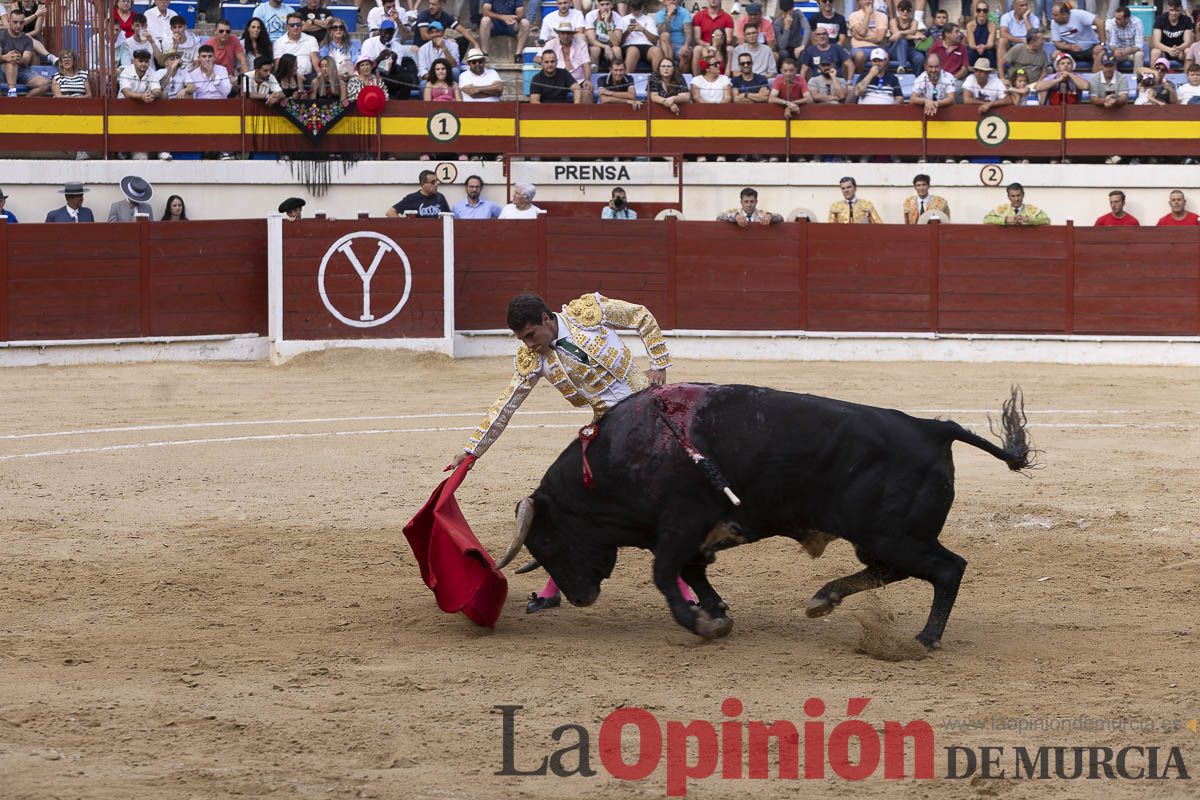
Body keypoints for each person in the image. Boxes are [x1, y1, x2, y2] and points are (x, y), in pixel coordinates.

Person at [451, 292, 691, 613]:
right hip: (611, 433)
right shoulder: (534, 361)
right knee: (574, 506)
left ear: (547, 320)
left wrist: (658, 364)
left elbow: (641, 316)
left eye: (531, 335)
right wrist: (471, 453)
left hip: (654, 410)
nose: (529, 345)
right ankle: (555, 588)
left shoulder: (586, 312)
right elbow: (504, 407)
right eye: (521, 340)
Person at [1, 9, 50, 96]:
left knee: (44, 84)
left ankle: (22, 102)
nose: (18, 25)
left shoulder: (27, 39)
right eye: (15, 22)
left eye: (21, 22)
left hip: (22, 71)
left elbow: (26, 60)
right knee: (11, 62)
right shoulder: (1, 36)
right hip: (3, 71)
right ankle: (12, 92)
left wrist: (20, 59)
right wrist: (5, 57)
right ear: (9, 22)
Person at [1050, 0, 1102, 70]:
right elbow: (1057, 42)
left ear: (1064, 15)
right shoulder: (1054, 22)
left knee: (1100, 53)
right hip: (1071, 50)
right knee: (1055, 55)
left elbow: (1100, 22)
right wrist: (1070, 47)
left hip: (1090, 48)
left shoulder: (1078, 14)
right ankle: (1061, 78)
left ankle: (1094, 79)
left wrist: (1101, 43)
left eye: (1055, 15)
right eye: (1052, 14)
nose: (1053, 17)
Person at [545, 19, 590, 91]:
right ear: (558, 34)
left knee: (587, 91)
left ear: (572, 34)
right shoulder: (551, 43)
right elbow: (537, 58)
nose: (566, 36)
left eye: (568, 33)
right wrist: (552, 61)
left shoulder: (581, 44)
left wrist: (587, 80)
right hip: (558, 81)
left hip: (579, 80)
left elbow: (586, 64)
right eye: (563, 33)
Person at [275, 12, 320, 80]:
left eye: (298, 25)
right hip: (288, 76)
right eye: (292, 25)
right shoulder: (279, 42)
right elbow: (278, 64)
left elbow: (315, 60)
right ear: (287, 27)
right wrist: (296, 74)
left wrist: (320, 74)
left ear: (302, 26)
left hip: (308, 76)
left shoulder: (311, 39)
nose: (296, 27)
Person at [846, 0, 887, 74]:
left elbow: (879, 38)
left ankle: (879, 77)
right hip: (859, 48)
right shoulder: (853, 15)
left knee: (885, 56)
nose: (867, 1)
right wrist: (868, 14)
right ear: (859, 2)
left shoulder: (882, 16)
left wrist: (862, 38)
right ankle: (862, 76)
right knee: (859, 56)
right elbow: (862, 31)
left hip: (876, 47)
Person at [983, 182, 1050, 225]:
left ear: (1023, 195)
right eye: (1013, 196)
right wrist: (1006, 220)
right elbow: (986, 220)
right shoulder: (1002, 210)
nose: (1016, 199)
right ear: (1008, 197)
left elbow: (1047, 220)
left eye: (1018, 195)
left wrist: (1029, 219)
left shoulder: (1032, 210)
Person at [622, 0, 661, 73]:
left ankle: (657, 80)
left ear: (643, 7)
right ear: (631, 8)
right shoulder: (624, 19)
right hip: (629, 45)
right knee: (633, 50)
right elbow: (619, 41)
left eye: (638, 9)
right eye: (634, 9)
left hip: (646, 45)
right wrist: (627, 31)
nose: (636, 12)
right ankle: (627, 80)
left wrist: (643, 30)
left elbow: (655, 41)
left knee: (657, 51)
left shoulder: (649, 19)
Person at [1151, 0, 1193, 67]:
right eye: (1171, 10)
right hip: (1164, 51)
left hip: (1180, 51)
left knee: (1188, 51)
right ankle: (1153, 76)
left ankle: (1189, 76)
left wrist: (1178, 49)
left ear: (1181, 9)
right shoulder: (1160, 19)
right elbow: (1156, 43)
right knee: (1155, 52)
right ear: (1168, 8)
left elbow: (1187, 42)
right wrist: (1169, 50)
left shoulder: (1186, 20)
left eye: (1177, 10)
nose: (1174, 13)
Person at [1103, 5, 1145, 72]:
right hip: (1120, 51)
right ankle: (1113, 79)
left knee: (1139, 55)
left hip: (1133, 51)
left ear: (1127, 19)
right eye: (1116, 18)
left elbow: (1139, 45)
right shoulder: (1113, 23)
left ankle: (1137, 79)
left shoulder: (1137, 23)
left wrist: (1127, 51)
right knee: (1111, 56)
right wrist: (1115, 50)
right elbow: (1112, 44)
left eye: (1119, 19)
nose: (1116, 20)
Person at [586, 0, 625, 70]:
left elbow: (616, 43)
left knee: (617, 49)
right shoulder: (590, 15)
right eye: (602, 5)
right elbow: (592, 40)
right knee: (595, 50)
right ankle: (593, 75)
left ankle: (617, 74)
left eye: (607, 4)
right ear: (598, 6)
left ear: (612, 5)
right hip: (596, 45)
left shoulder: (618, 18)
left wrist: (607, 23)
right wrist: (605, 47)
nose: (605, 7)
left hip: (612, 45)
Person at [888, 0, 924, 75]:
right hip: (895, 49)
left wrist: (900, 32)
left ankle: (916, 79)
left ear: (911, 11)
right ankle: (903, 67)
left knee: (920, 58)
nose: (905, 12)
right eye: (902, 10)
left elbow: (912, 30)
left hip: (910, 48)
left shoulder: (914, 22)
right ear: (898, 10)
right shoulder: (893, 21)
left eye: (908, 10)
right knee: (902, 41)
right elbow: (897, 36)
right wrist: (915, 37)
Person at [717, 187, 783, 226]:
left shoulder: (762, 214)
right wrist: (735, 216)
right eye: (746, 201)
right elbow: (719, 217)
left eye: (752, 201)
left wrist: (770, 216)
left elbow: (781, 218)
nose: (749, 205)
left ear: (756, 202)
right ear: (741, 202)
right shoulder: (735, 213)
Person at [774, 0, 812, 65]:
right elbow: (782, 46)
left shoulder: (798, 13)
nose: (789, 13)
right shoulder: (777, 23)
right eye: (786, 11)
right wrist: (786, 28)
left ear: (793, 8)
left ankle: (800, 74)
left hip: (797, 46)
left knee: (803, 52)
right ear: (782, 11)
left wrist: (803, 45)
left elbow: (807, 28)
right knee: (784, 53)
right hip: (786, 48)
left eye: (790, 9)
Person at [656, 0, 692, 68]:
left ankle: (680, 77)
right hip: (664, 45)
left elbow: (688, 31)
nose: (672, 1)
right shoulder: (660, 14)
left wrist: (686, 46)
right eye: (669, 0)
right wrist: (668, 15)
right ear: (664, 2)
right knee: (665, 35)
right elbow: (661, 31)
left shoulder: (684, 12)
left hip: (680, 45)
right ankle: (670, 66)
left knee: (686, 53)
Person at [965, 1, 997, 71]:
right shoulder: (970, 25)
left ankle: (992, 71)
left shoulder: (992, 25)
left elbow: (990, 43)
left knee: (990, 52)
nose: (981, 12)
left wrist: (984, 47)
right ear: (976, 12)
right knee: (970, 52)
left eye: (984, 10)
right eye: (979, 10)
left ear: (987, 12)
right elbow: (971, 44)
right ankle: (970, 71)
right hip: (974, 48)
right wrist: (977, 47)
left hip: (987, 48)